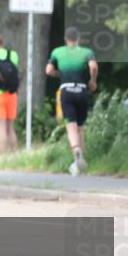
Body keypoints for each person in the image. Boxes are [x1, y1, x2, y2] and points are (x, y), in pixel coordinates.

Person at [46, 27, 98, 176]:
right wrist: (92, 81)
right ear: (78, 38)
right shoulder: (87, 52)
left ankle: (76, 149)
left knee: (71, 126)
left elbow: (48, 70)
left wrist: (59, 74)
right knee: (80, 127)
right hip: (82, 90)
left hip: (66, 91)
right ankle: (78, 164)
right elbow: (93, 66)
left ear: (65, 39)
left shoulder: (57, 52)